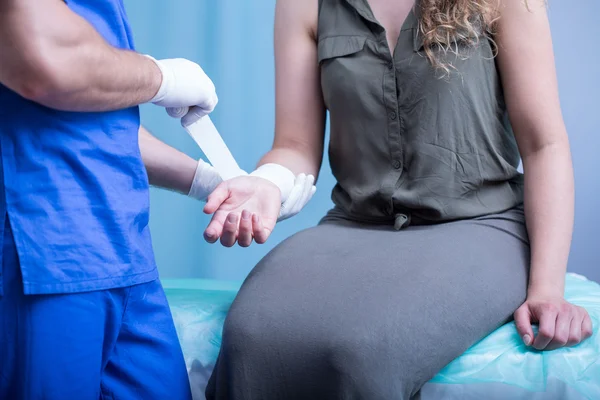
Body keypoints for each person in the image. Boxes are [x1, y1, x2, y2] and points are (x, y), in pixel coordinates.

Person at [203, 0, 594, 399]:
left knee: (360, 351)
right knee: (251, 333)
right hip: (355, 224)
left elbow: (544, 145)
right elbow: (294, 145)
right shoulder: (301, 5)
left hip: (480, 225)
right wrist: (267, 182)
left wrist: (547, 289)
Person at [0, 0, 314, 399]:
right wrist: (160, 76)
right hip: (45, 250)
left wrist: (214, 182)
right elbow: (46, 62)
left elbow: (96, 121)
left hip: (126, 253)